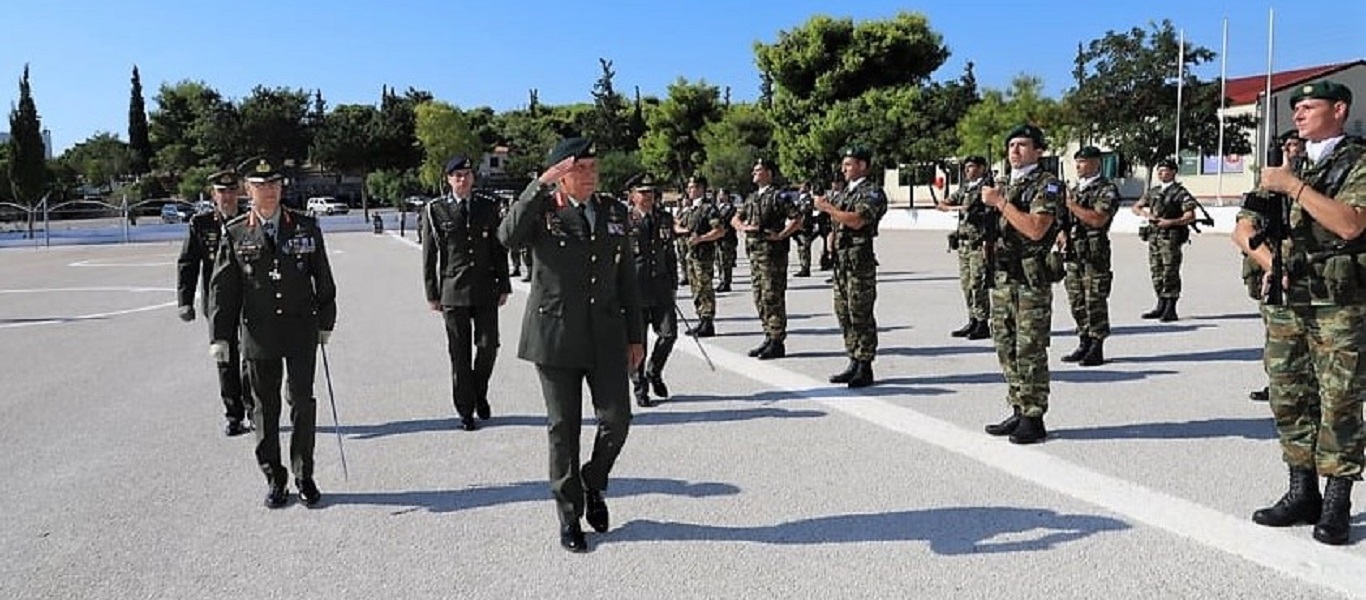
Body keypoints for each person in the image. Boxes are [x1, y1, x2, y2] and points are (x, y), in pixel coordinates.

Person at [1232, 80, 1366, 545]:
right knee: (1289, 396)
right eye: (1297, 109)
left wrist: (1294, 185)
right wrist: (1273, 265)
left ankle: (1337, 501)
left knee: (1340, 400)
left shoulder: (1357, 161)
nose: (1300, 115)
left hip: (1338, 302)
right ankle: (1301, 490)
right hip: (1288, 299)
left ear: (1339, 109)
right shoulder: (1287, 164)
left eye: (1309, 106)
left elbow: (1351, 224)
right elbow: (1243, 228)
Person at [496, 137, 644, 553]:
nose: (591, 175)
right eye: (581, 168)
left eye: (595, 167)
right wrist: (539, 186)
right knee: (564, 428)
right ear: (561, 174)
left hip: (605, 334)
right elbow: (506, 237)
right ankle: (569, 514)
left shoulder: (614, 211)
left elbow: (626, 280)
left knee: (617, 420)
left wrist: (636, 336)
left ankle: (593, 482)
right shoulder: (542, 209)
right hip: (556, 335)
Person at [209, 158, 337, 508]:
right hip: (259, 333)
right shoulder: (235, 233)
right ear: (248, 190)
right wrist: (219, 337)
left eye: (274, 184)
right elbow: (224, 289)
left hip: (300, 329)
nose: (269, 191)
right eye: (261, 185)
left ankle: (304, 474)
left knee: (302, 403)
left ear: (282, 187)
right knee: (264, 409)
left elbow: (322, 277)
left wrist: (326, 321)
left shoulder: (306, 227)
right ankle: (274, 477)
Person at [980, 124, 1062, 445]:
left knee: (1029, 347)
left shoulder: (1048, 185)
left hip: (1030, 279)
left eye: (1023, 145)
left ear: (1038, 151)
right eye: (1011, 145)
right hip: (1003, 277)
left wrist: (1000, 203)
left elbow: (1036, 229)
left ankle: (1033, 415)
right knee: (1005, 344)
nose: (1015, 151)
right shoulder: (1003, 183)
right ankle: (1017, 407)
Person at [422, 155, 511, 431]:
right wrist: (432, 292)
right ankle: (465, 409)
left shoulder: (488, 206)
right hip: (453, 291)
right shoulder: (435, 210)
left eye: (467, 175)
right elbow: (430, 253)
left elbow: (498, 249)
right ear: (448, 180)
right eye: (457, 176)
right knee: (459, 354)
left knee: (488, 346)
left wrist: (504, 284)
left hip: (485, 288)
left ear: (473, 178)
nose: (463, 180)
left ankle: (479, 392)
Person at [177, 170, 252, 436]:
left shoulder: (251, 220)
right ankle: (233, 415)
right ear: (214, 195)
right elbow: (188, 263)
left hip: (250, 298)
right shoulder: (201, 223)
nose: (228, 197)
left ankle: (254, 409)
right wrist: (184, 301)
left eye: (232, 191)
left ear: (240, 193)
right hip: (218, 302)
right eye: (222, 192)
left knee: (252, 355)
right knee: (225, 357)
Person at [815, 145, 888, 388]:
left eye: (849, 164)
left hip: (859, 262)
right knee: (843, 312)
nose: (843, 168)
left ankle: (865, 365)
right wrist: (829, 244)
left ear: (863, 165)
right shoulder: (845, 193)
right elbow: (836, 224)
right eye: (844, 164)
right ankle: (853, 359)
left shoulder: (872, 193)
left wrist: (827, 208)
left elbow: (857, 221)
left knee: (860, 313)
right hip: (841, 262)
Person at [1248, 131, 1308, 403]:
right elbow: (1243, 231)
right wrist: (1273, 266)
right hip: (1280, 272)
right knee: (1278, 334)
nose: (1291, 150)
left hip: (1318, 274)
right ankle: (1277, 382)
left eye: (1296, 145)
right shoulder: (1268, 186)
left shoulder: (1320, 181)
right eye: (1287, 146)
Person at [732, 158, 802, 359]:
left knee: (773, 297)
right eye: (753, 169)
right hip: (755, 255)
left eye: (759, 170)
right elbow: (735, 218)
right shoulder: (752, 197)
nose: (754, 173)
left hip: (773, 255)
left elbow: (797, 218)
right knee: (759, 297)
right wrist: (744, 227)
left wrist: (781, 235)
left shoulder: (779, 196)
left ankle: (777, 340)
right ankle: (768, 335)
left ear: (769, 173)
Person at [1057, 146, 1121, 366]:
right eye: (1077, 162)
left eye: (1083, 162)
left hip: (1095, 254)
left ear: (1096, 163)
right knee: (1076, 300)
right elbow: (1063, 219)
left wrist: (1070, 204)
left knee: (1095, 299)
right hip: (1074, 253)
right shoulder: (1075, 189)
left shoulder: (1106, 189)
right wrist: (1062, 232)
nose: (1078, 166)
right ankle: (1083, 340)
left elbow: (1098, 219)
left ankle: (1097, 345)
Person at [626, 174, 679, 407]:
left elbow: (670, 254)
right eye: (643, 192)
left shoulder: (664, 218)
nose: (648, 197)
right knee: (638, 341)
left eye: (651, 192)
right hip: (634, 288)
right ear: (632, 195)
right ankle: (640, 387)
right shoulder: (624, 220)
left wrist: (674, 283)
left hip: (661, 286)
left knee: (669, 334)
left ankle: (654, 372)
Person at [1131, 158, 1197, 321]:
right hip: (1154, 237)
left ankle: (1171, 307)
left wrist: (1171, 222)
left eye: (1165, 170)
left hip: (1170, 238)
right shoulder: (1154, 191)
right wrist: (1146, 214)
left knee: (1170, 271)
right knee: (1156, 271)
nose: (1161, 173)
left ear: (1173, 172)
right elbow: (1136, 207)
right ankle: (1160, 304)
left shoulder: (1180, 193)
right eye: (1159, 171)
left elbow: (1190, 215)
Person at [937, 156, 992, 340]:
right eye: (966, 167)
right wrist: (959, 208)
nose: (968, 171)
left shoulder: (987, 188)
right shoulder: (965, 189)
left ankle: (983, 321)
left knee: (978, 283)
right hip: (963, 243)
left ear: (982, 168)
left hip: (979, 242)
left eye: (972, 167)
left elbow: (991, 212)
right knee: (966, 283)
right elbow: (943, 204)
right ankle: (973, 319)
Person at [674, 174, 723, 337]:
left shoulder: (708, 208)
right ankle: (701, 318)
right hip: (691, 255)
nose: (689, 190)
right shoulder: (690, 209)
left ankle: (708, 321)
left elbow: (719, 230)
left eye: (693, 187)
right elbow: (678, 224)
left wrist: (701, 238)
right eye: (689, 187)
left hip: (703, 255)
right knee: (695, 288)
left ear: (701, 189)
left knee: (704, 288)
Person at [714, 190, 739, 292]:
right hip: (718, 238)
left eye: (723, 195)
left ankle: (726, 282)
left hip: (727, 238)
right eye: (719, 195)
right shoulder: (717, 207)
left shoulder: (730, 208)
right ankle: (721, 280)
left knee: (725, 261)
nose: (721, 197)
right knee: (718, 261)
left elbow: (724, 220)